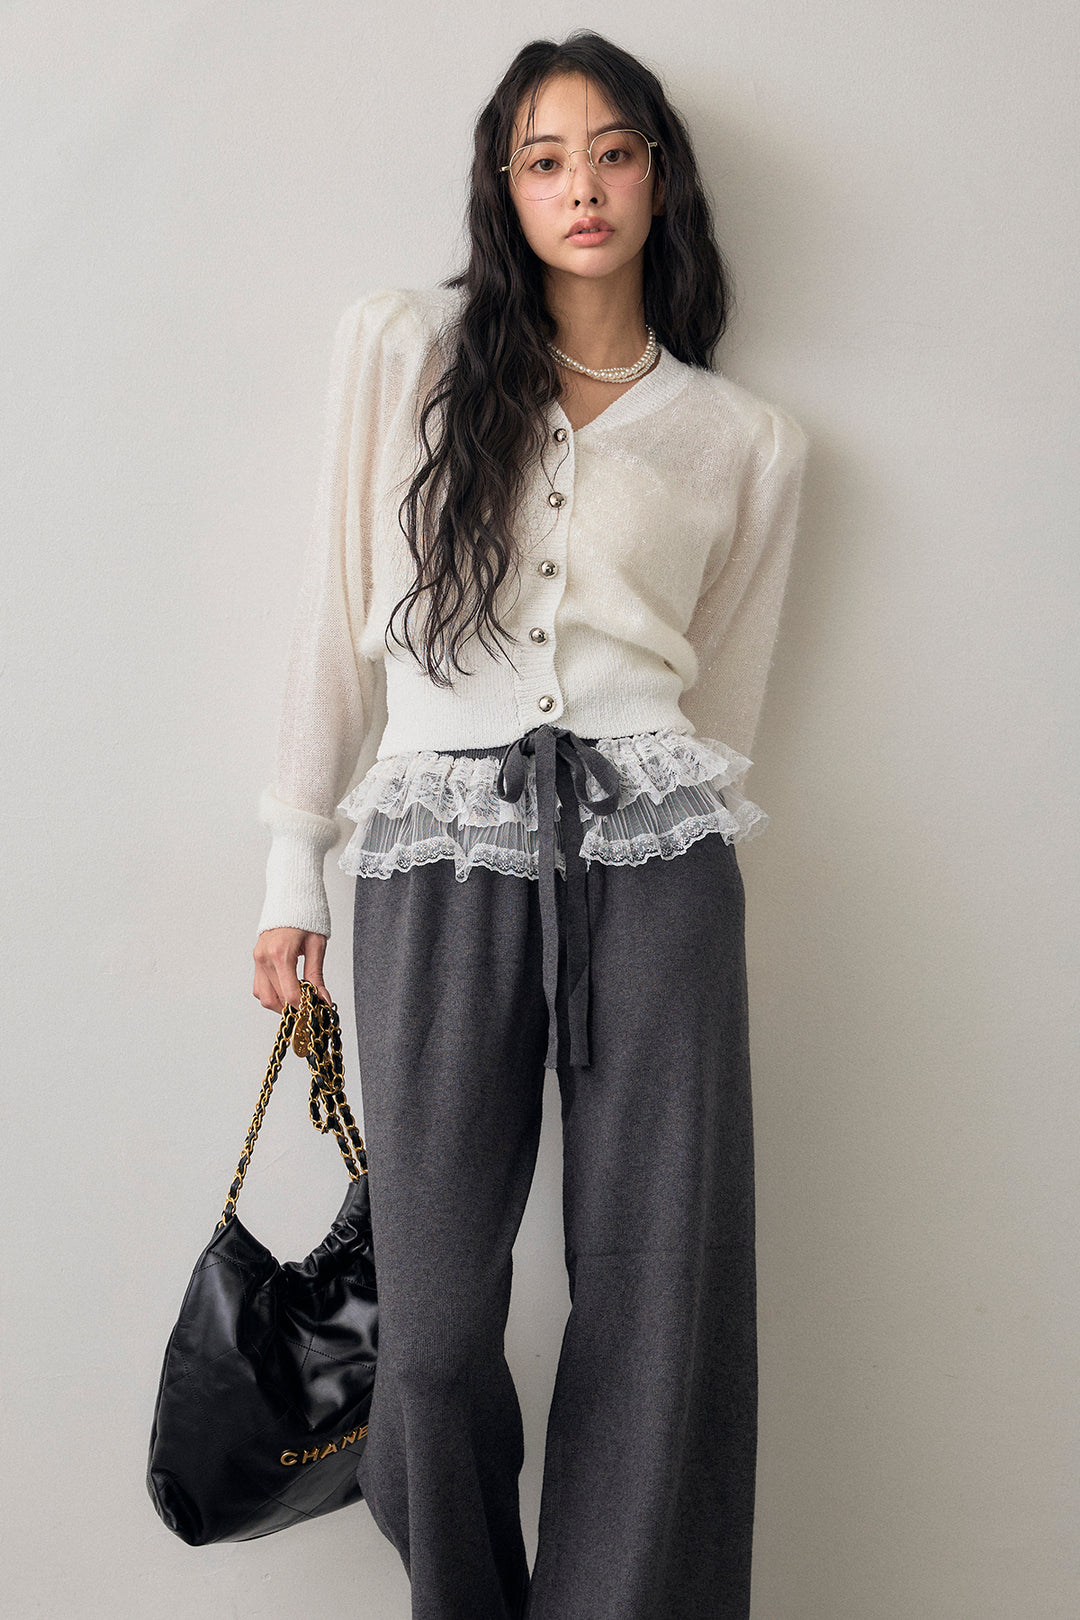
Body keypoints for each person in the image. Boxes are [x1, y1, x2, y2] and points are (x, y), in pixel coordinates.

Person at [252, 28, 807, 1620]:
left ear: (659, 178)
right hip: (437, 848)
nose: (584, 187)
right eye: (546, 159)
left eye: (614, 153)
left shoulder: (746, 441)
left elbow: (721, 704)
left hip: (657, 859)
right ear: (504, 186)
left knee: (658, 1297)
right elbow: (334, 616)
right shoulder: (403, 350)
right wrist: (294, 857)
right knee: (428, 1334)